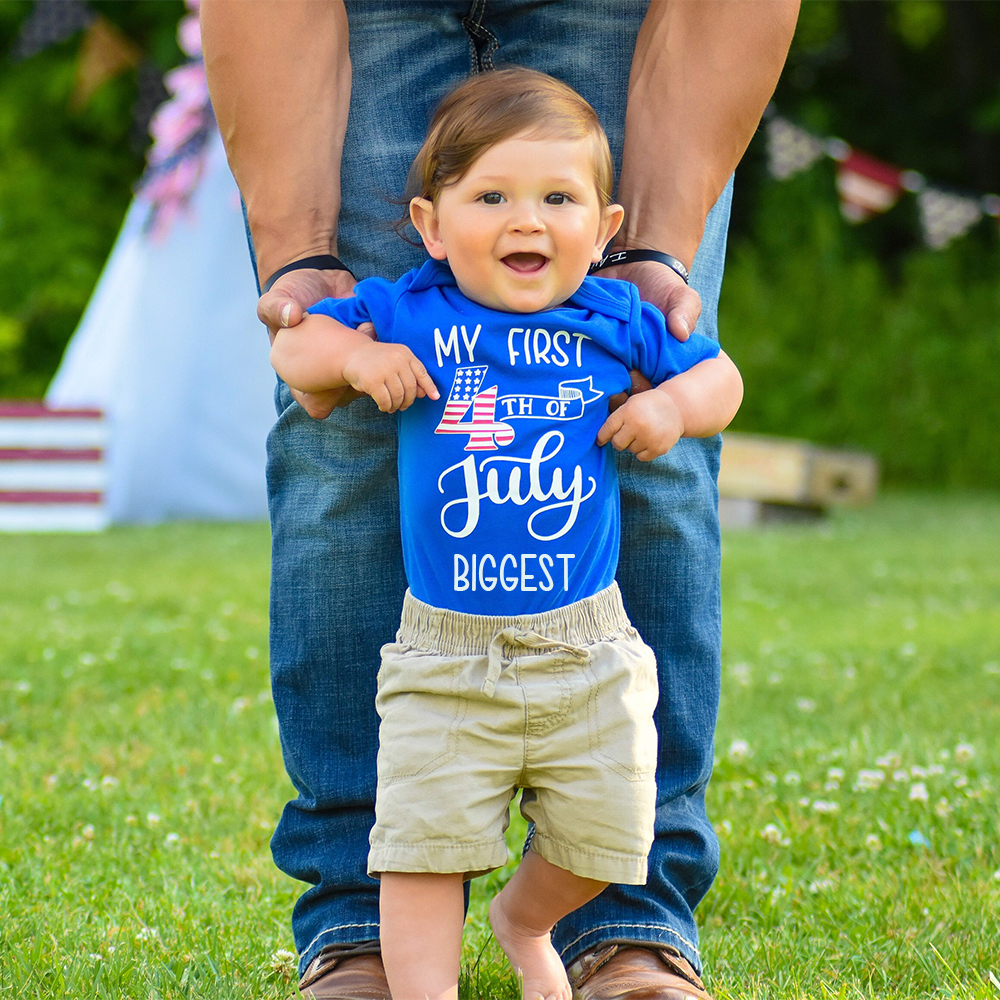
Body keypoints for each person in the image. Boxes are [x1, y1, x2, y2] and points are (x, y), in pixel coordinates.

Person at [201, 3, 799, 997]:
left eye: (559, 202)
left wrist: (673, 382)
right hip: (441, 649)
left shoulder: (607, 309)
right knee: (342, 443)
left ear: (598, 226)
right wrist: (328, 309)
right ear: (427, 228)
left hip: (589, 641)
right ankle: (365, 932)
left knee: (652, 463)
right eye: (491, 204)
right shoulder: (409, 306)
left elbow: (715, 383)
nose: (526, 224)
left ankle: (627, 924)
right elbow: (303, 345)